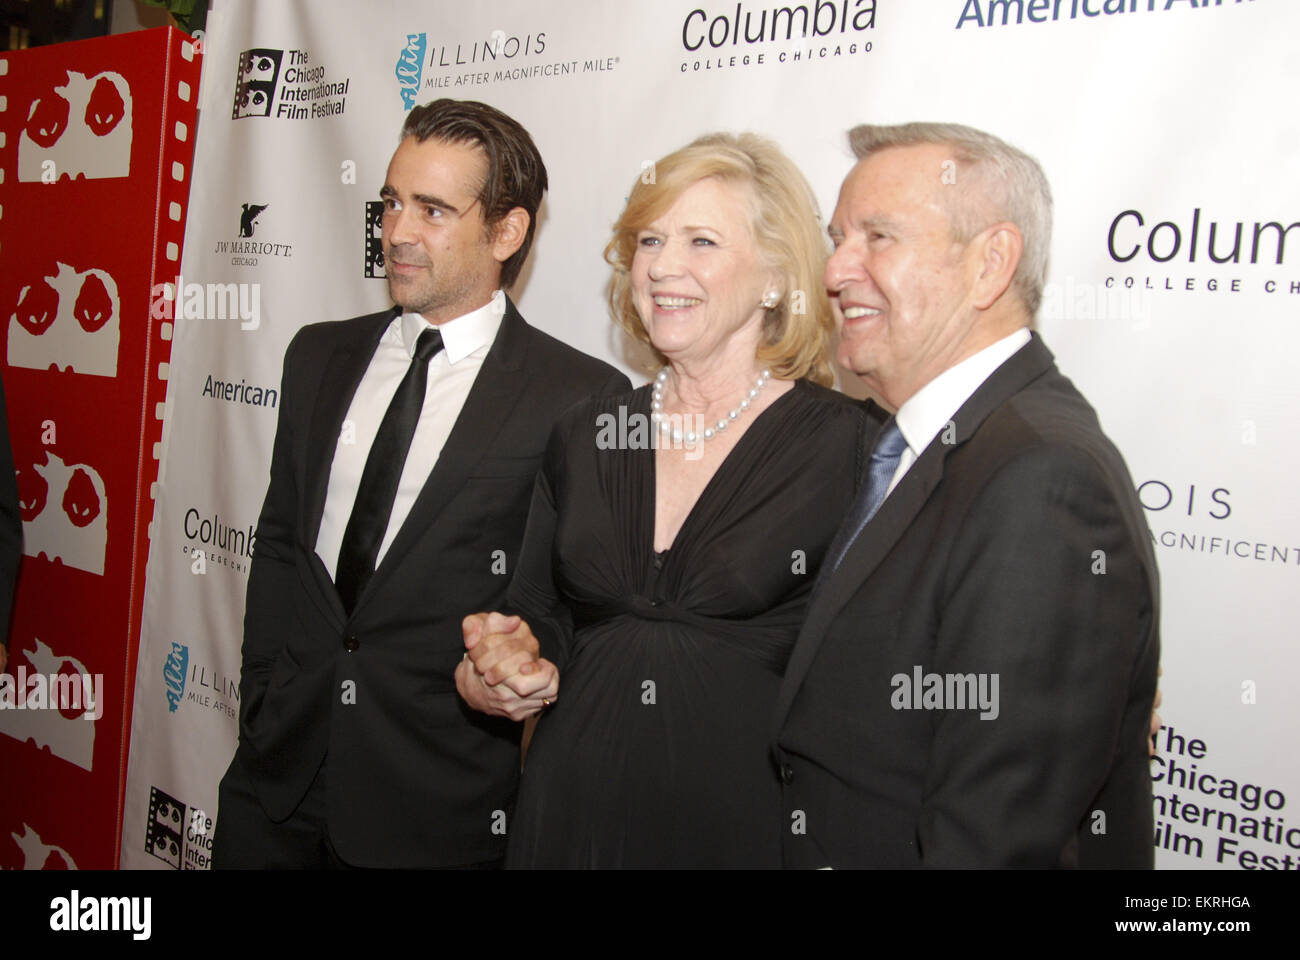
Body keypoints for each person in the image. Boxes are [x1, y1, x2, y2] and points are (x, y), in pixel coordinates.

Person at [212, 99, 630, 869]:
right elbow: (279, 547)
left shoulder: (580, 397)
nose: (398, 232)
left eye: (434, 210)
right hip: (275, 783)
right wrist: (261, 701)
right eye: (393, 202)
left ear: (507, 232)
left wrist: (526, 667)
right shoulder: (317, 357)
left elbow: (574, 608)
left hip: (435, 804)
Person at [459, 133, 875, 867]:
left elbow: (871, 687)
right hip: (565, 822)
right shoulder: (588, 429)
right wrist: (502, 666)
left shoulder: (851, 450)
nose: (663, 266)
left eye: (702, 241)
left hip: (745, 833)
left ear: (777, 275)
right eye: (649, 240)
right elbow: (540, 612)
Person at [773, 122, 1160, 867]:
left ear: (991, 265)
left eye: (878, 237)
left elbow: (995, 840)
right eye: (838, 237)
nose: (834, 270)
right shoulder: (908, 447)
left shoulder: (1043, 483)